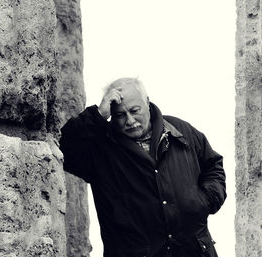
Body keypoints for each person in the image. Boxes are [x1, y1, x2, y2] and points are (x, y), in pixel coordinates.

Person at [60, 78, 226, 257]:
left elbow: (213, 165)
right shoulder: (100, 148)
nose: (130, 121)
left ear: (147, 102)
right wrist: (98, 114)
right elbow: (62, 149)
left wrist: (205, 200)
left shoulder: (181, 130)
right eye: (120, 115)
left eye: (134, 111)